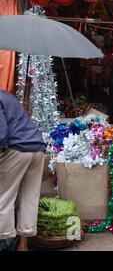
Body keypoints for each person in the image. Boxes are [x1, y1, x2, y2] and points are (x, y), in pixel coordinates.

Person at [0, 90, 47, 251]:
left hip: (18, 149)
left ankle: (2, 241)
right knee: (29, 197)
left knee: (3, 196)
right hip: (37, 147)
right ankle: (23, 245)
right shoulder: (7, 96)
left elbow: (1, 135)